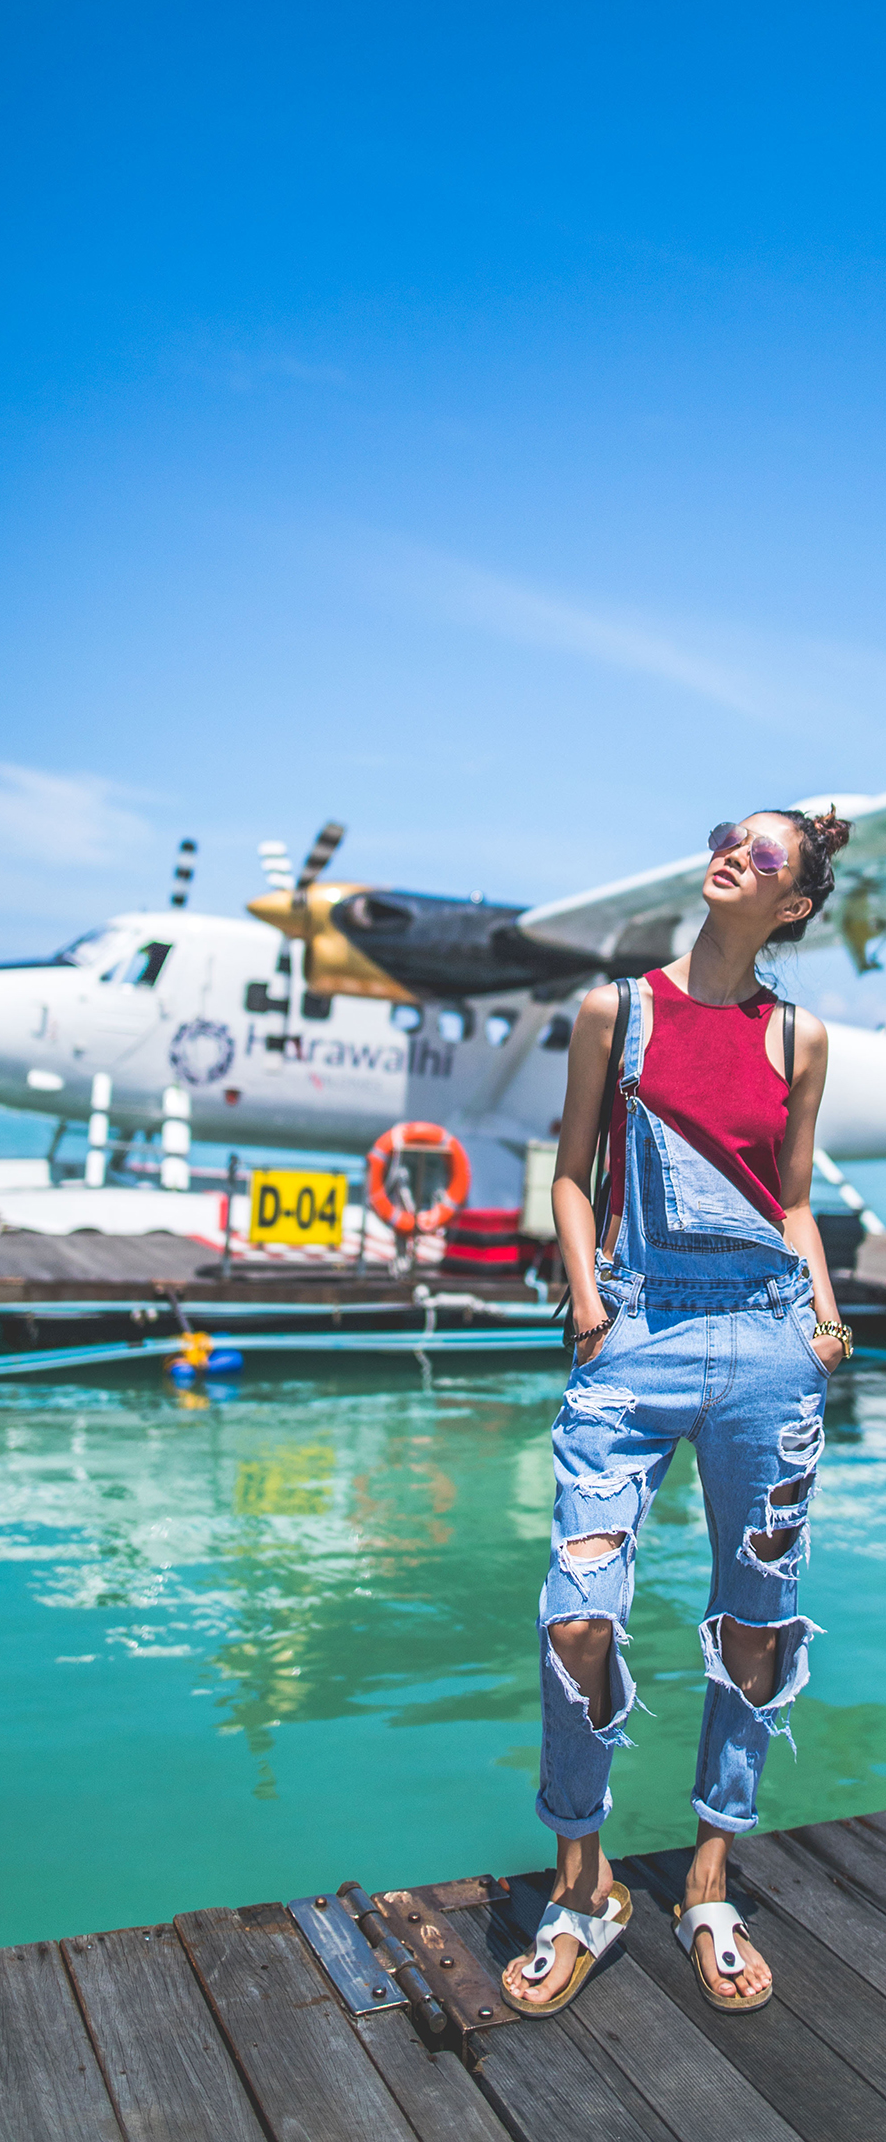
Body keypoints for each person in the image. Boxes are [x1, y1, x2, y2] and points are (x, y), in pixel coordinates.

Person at [502, 807, 853, 2018]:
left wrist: (824, 1324)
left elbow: (793, 1202)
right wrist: (589, 1302)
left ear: (793, 905)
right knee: (577, 1616)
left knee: (757, 1625)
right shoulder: (617, 1011)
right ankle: (582, 1887)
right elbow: (570, 1173)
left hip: (769, 1342)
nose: (733, 855)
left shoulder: (799, 1037)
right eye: (727, 837)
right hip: (636, 1336)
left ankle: (709, 1880)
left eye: (765, 855)